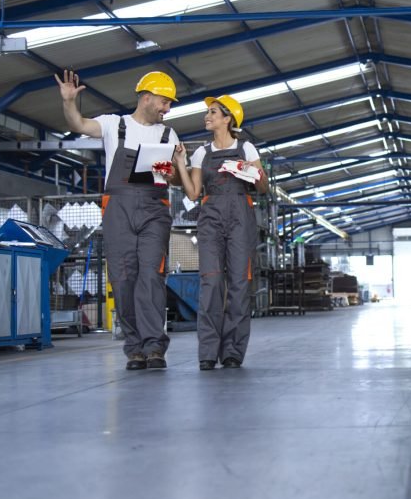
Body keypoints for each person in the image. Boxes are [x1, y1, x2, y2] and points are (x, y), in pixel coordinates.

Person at [55, 69, 179, 371]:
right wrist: (69, 102)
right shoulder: (115, 125)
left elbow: (173, 177)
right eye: (164, 102)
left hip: (154, 209)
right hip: (118, 209)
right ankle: (134, 348)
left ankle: (154, 347)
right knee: (123, 278)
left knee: (151, 277)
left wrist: (168, 170)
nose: (167, 109)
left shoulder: (168, 134)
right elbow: (78, 123)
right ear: (146, 98)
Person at [174, 95, 268, 371]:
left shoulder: (247, 148)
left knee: (239, 285)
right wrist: (180, 162)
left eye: (213, 112)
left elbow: (264, 189)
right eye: (208, 113)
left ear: (228, 119)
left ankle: (232, 352)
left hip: (241, 216)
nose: (207, 116)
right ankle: (207, 351)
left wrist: (254, 172)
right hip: (211, 217)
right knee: (211, 284)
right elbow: (192, 193)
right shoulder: (201, 153)